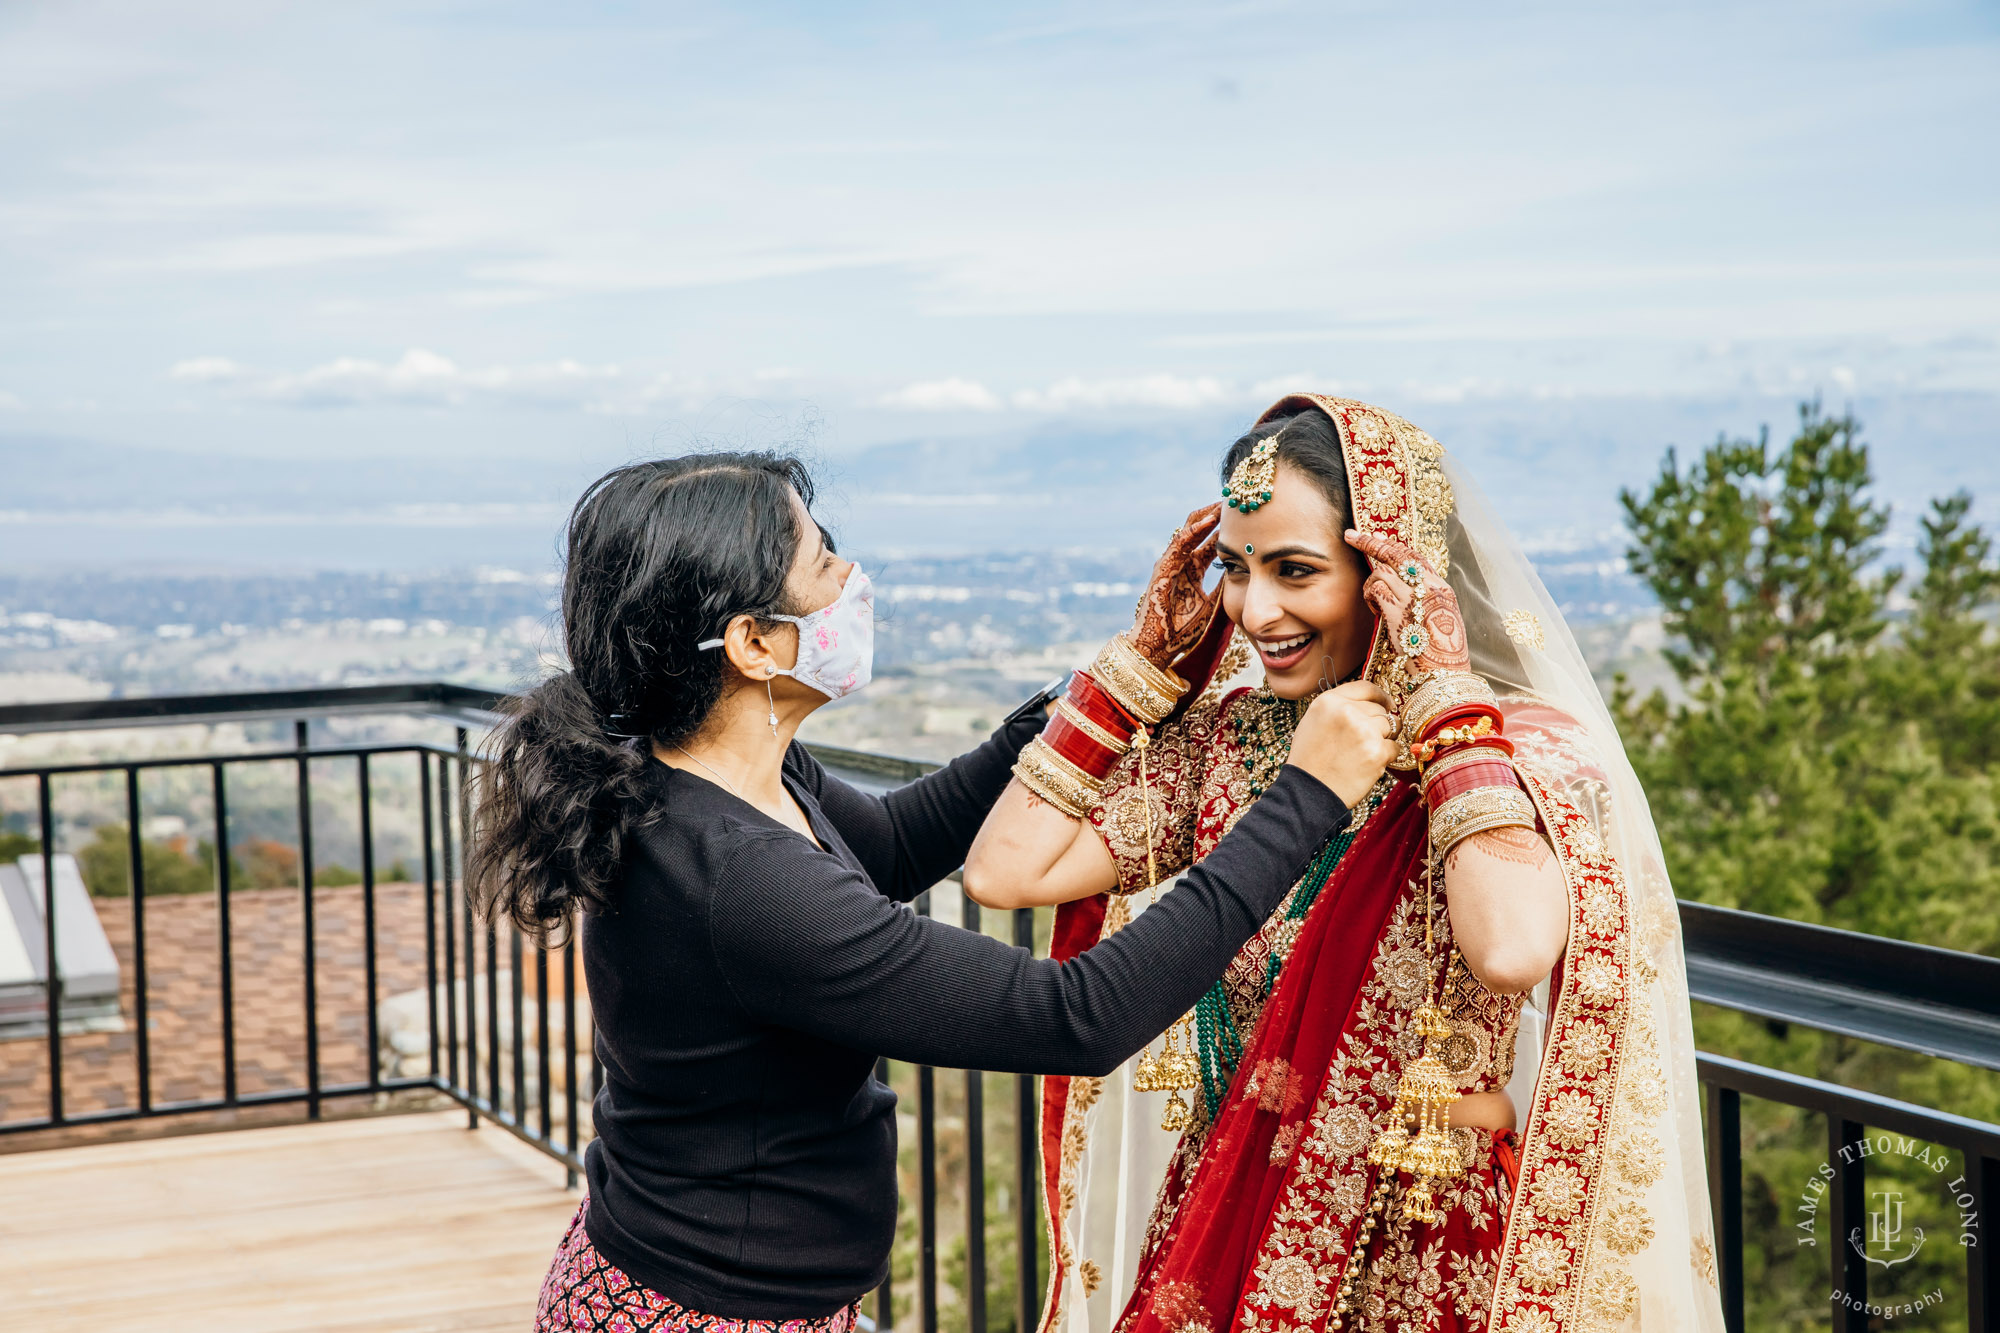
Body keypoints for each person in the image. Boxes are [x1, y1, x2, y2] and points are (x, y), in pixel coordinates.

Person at [465, 451, 1399, 1333]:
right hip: (708, 1309)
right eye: (822, 562)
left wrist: (1111, 683)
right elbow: (1071, 1016)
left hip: (692, 1277)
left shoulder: (719, 776)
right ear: (751, 642)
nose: (850, 579)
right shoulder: (739, 878)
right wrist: (1303, 800)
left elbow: (904, 839)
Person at [963, 396, 1723, 1333]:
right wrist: (1143, 665)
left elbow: (1515, 946)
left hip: (1426, 1257)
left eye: (1296, 571)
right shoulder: (1235, 745)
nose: (1256, 611)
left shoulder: (1508, 752)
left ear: (1389, 577)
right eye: (1236, 570)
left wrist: (1445, 714)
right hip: (1229, 1226)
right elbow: (1003, 872)